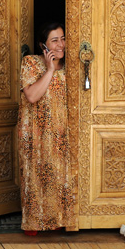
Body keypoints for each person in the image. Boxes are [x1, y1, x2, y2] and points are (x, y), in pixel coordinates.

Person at [18, 22, 75, 234]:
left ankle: (60, 220)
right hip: (35, 131)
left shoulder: (73, 66)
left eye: (63, 38)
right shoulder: (31, 63)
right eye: (54, 40)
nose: (61, 44)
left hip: (62, 131)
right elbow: (32, 96)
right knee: (35, 175)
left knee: (60, 176)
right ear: (43, 45)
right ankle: (34, 223)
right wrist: (50, 70)